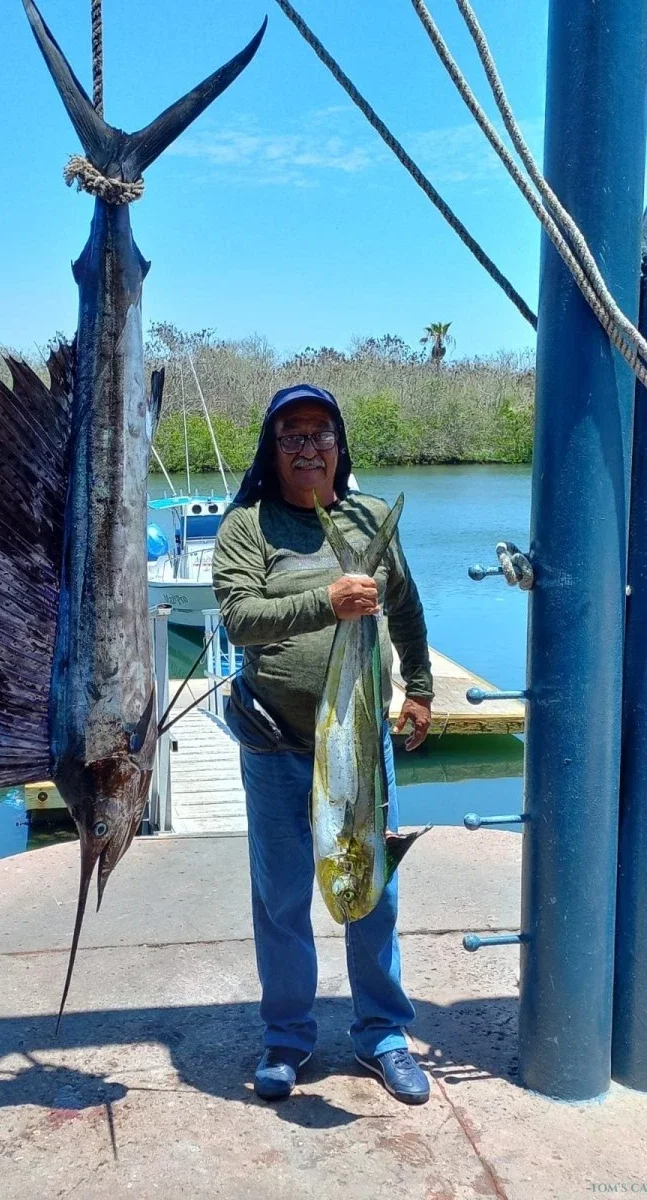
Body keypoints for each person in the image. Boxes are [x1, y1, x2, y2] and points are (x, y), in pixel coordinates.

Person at [212, 383, 434, 1105]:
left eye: (321, 434)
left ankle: (383, 1035)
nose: (309, 448)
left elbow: (405, 606)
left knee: (374, 895)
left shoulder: (370, 518)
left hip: (361, 743)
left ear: (340, 446)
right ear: (272, 450)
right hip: (276, 744)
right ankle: (287, 1037)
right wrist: (327, 603)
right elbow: (240, 618)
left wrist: (421, 687)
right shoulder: (247, 526)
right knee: (281, 899)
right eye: (293, 436)